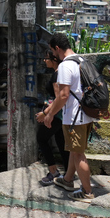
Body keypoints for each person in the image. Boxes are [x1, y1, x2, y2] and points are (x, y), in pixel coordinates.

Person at [40, 32, 95, 202]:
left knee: (78, 155)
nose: (52, 55)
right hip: (86, 114)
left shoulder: (65, 66)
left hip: (74, 117)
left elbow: (63, 96)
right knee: (73, 150)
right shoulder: (81, 60)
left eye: (52, 51)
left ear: (57, 48)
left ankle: (87, 192)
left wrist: (49, 114)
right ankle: (68, 180)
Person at [36, 53, 70, 186]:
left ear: (54, 60)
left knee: (41, 138)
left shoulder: (57, 74)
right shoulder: (60, 73)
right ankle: (68, 174)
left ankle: (53, 171)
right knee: (61, 142)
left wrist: (45, 113)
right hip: (62, 115)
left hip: (56, 114)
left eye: (46, 58)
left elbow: (58, 98)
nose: (44, 60)